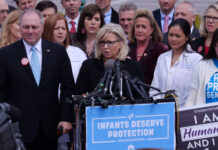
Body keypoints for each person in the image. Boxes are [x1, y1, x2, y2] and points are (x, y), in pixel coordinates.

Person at [0, 8, 75, 149]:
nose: (30, 31)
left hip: (50, 128)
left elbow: (68, 87)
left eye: (34, 27)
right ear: (20, 28)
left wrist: (66, 117)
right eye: (26, 27)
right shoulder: (5, 54)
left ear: (42, 28)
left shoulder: (57, 52)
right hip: (18, 129)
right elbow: (1, 92)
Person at [76, 23, 144, 95]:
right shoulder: (88, 66)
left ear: (121, 43)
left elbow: (142, 98)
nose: (105, 46)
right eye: (102, 42)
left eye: (110, 42)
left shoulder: (133, 66)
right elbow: (79, 94)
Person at [149, 18, 202, 108]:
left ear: (187, 37)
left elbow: (195, 92)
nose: (173, 39)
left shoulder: (196, 59)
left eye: (178, 36)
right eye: (171, 35)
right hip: (162, 112)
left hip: (185, 113)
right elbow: (154, 89)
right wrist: (160, 107)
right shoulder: (162, 58)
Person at [128, 8, 168, 85]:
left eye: (144, 27)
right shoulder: (127, 49)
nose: (140, 30)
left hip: (151, 94)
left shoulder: (160, 49)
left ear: (151, 30)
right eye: (137, 26)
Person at [42, 13, 87, 82]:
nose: (60, 32)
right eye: (56, 28)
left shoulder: (78, 53)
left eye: (63, 28)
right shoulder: (40, 52)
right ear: (48, 30)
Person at [186, 29, 218, 106]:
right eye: (217, 46)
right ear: (213, 46)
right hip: (204, 116)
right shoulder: (202, 66)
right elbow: (191, 98)